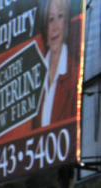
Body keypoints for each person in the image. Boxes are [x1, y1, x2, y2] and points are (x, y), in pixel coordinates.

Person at [36, 0, 79, 129]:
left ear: (66, 22)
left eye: (60, 16)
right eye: (50, 19)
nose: (55, 27)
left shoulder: (75, 72)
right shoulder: (35, 75)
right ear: (45, 26)